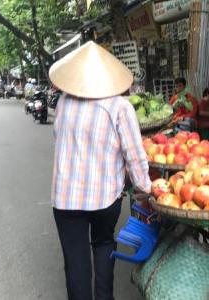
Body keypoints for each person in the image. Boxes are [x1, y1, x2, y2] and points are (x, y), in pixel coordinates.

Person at [49, 41, 151, 300]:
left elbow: (60, 138)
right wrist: (145, 190)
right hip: (105, 198)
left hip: (66, 199)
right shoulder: (120, 107)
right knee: (104, 244)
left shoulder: (63, 103)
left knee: (75, 260)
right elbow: (135, 156)